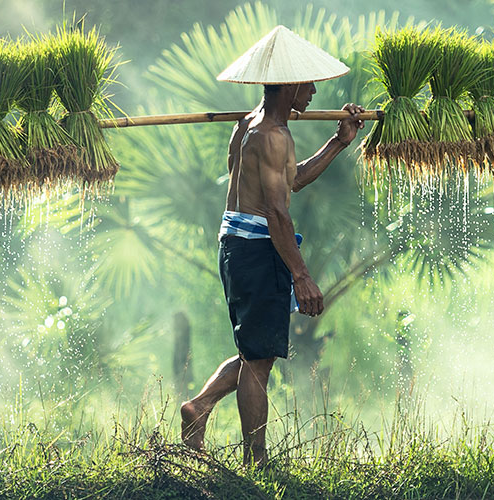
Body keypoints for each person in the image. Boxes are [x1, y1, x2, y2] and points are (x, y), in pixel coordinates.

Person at [177, 25, 366, 466]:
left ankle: (199, 408)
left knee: (252, 350)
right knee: (260, 362)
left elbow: (291, 180)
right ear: (289, 85)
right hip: (258, 249)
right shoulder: (274, 136)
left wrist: (339, 142)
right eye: (308, 82)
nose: (315, 91)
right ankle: (255, 463)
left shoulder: (249, 126)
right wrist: (302, 276)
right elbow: (278, 213)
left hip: (234, 244)